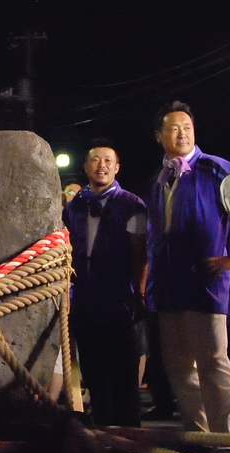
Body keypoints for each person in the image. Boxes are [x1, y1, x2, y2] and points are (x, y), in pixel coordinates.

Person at [147, 101, 230, 453]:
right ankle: (198, 433)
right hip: (169, 285)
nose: (182, 133)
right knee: (178, 365)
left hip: (207, 284)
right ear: (159, 136)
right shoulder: (160, 178)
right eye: (174, 128)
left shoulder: (216, 170)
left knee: (214, 362)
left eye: (187, 128)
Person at [63, 144, 146, 426]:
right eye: (95, 160)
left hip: (120, 298)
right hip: (84, 298)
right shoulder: (73, 206)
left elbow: (141, 252)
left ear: (117, 167)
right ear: (86, 167)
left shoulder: (132, 204)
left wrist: (140, 292)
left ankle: (130, 435)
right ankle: (102, 431)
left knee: (123, 370)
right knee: (93, 369)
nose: (102, 165)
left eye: (108, 160)